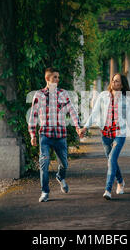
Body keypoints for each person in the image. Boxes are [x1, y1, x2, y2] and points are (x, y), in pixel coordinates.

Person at [81, 73, 130, 200]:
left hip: (119, 134)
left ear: (122, 85)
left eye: (117, 81)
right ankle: (120, 181)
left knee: (111, 160)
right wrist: (85, 127)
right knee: (112, 160)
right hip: (105, 134)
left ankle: (108, 190)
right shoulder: (103, 96)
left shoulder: (127, 100)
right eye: (113, 81)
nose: (114, 83)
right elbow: (94, 113)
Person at [28, 67, 83, 202]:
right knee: (44, 162)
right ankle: (45, 192)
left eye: (58, 77)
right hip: (45, 136)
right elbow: (33, 116)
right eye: (55, 77)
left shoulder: (63, 93)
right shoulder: (38, 95)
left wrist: (78, 126)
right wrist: (32, 135)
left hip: (60, 136)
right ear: (47, 79)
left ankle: (60, 176)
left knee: (64, 164)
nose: (58, 79)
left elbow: (72, 111)